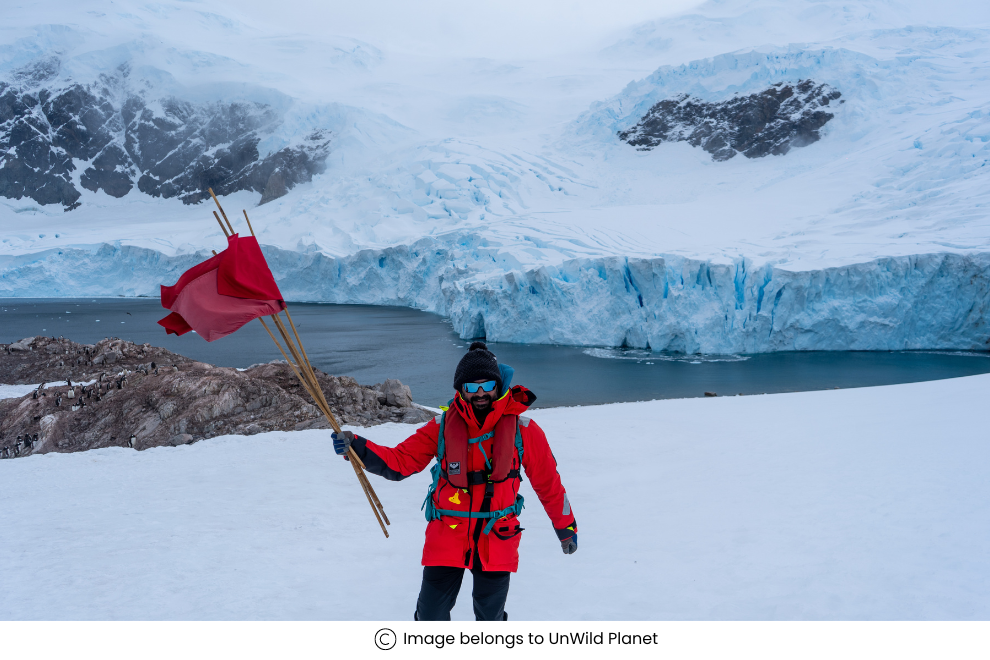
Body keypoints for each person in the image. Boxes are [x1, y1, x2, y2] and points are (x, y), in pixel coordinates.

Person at [332, 341, 577, 621]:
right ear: (461, 390)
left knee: (490, 620)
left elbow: (549, 485)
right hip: (447, 535)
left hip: (497, 537)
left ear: (498, 386)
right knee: (430, 617)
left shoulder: (525, 431)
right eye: (472, 387)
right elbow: (399, 462)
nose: (481, 393)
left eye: (487, 386)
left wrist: (566, 527)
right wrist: (357, 447)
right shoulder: (441, 428)